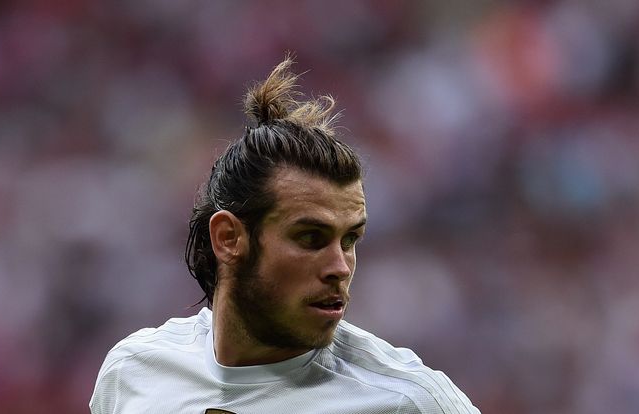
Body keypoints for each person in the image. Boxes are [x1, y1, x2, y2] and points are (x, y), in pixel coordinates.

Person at [89, 57, 481, 413]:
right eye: (310, 238)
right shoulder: (133, 374)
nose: (339, 267)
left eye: (350, 240)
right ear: (228, 238)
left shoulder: (407, 401)